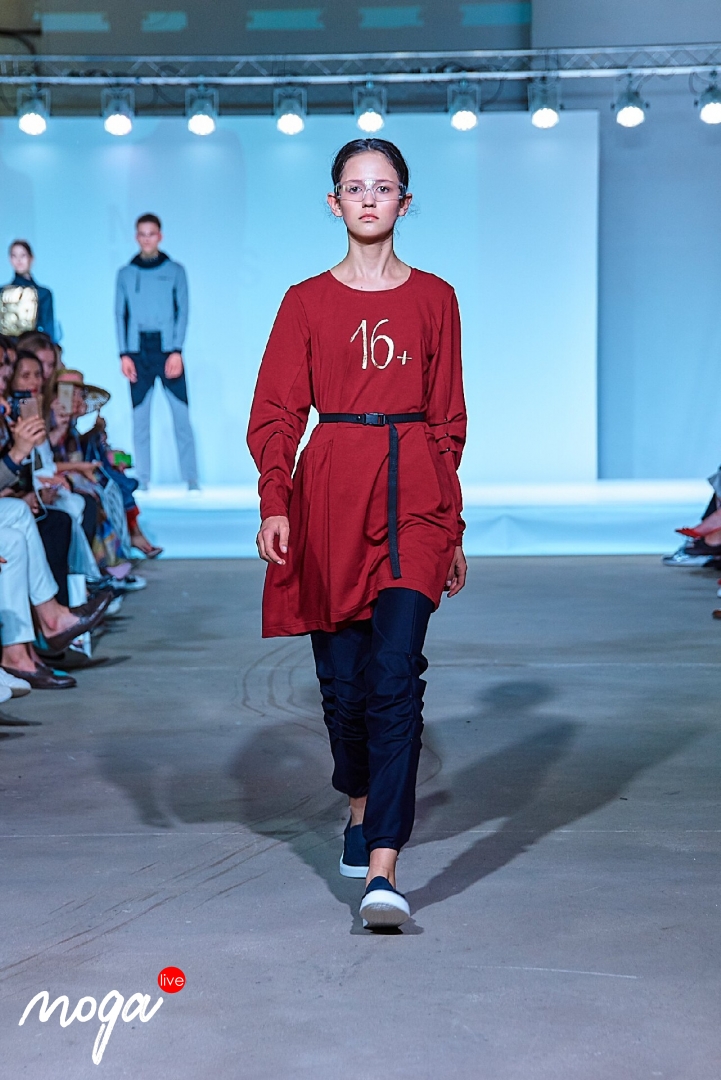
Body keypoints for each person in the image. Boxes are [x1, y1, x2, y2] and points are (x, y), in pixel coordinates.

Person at [247, 138, 467, 930]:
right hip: (333, 492)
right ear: (333, 201)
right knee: (344, 689)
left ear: (405, 201)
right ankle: (359, 800)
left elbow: (447, 418)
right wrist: (275, 500)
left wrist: (452, 523)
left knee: (395, 676)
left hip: (415, 497)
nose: (368, 198)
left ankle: (383, 867)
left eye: (383, 186)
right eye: (354, 186)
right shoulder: (304, 302)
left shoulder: (435, 298)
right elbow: (277, 411)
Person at [115, 213, 199, 491]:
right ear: (136, 237)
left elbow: (182, 311)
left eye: (151, 233)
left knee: (181, 417)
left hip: (167, 351)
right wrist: (123, 354)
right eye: (142, 233)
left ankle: (191, 479)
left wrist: (177, 350)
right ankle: (143, 479)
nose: (147, 238)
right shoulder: (126, 274)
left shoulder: (175, 271)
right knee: (140, 419)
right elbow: (120, 314)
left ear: (160, 236)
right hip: (137, 351)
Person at [0, 241, 56, 340]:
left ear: (31, 258)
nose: (19, 260)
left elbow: (48, 329)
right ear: (10, 259)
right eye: (14, 255)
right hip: (6, 347)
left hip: (34, 345)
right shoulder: (2, 292)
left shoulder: (43, 294)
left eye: (23, 255)